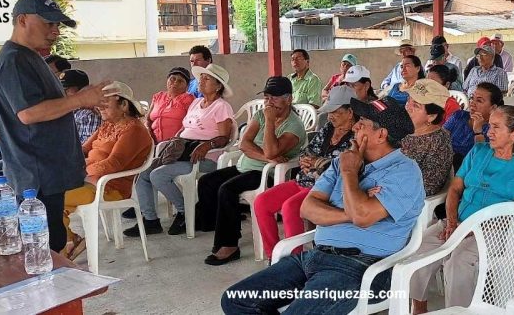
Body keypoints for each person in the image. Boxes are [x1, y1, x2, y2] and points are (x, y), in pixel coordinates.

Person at [222, 97, 424, 314]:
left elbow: (363, 217)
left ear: (381, 135)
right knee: (236, 300)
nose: (355, 126)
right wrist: (354, 210)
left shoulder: (404, 172)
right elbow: (307, 209)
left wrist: (349, 173)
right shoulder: (342, 161)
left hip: (361, 268)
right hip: (314, 257)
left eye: (362, 123)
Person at [0, 0, 108, 252]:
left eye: (58, 25)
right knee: (44, 248)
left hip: (47, 170)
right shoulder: (14, 60)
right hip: (37, 174)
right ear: (22, 20)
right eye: (48, 24)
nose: (55, 31)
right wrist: (80, 100)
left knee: (52, 239)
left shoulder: (31, 56)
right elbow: (28, 113)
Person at [409, 106, 514, 313]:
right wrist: (452, 223)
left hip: (497, 231)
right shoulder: (479, 151)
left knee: (458, 262)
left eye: (496, 127)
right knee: (419, 249)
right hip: (459, 222)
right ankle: (418, 307)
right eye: (490, 126)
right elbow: (454, 189)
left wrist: (471, 228)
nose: (489, 132)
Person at [197, 76, 306, 265]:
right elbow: (244, 144)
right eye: (266, 97)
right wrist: (266, 156)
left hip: (269, 174)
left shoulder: (294, 125)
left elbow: (273, 150)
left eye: (275, 97)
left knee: (227, 189)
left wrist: (270, 123)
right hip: (248, 165)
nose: (269, 102)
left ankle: (229, 245)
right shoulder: (260, 115)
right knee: (207, 182)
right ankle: (215, 226)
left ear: (289, 99)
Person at [125, 64, 234, 236]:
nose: (201, 81)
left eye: (207, 79)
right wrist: (174, 142)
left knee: (158, 175)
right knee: (143, 173)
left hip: (204, 158)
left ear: (218, 86)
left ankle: (186, 211)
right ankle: (150, 220)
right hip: (183, 152)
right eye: (201, 78)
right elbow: (184, 128)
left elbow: (224, 138)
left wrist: (207, 145)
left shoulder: (221, 106)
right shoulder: (197, 102)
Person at [254, 85, 356, 259]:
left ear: (350, 112)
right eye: (329, 111)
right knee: (261, 202)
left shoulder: (357, 135)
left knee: (290, 207)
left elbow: (346, 166)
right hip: (304, 179)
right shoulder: (328, 128)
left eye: (335, 111)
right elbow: (308, 150)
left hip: (325, 188)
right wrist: (306, 159)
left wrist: (318, 162)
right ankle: (273, 256)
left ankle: (295, 259)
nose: (330, 116)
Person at [62, 81, 153, 259]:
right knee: (49, 195)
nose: (99, 107)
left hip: (110, 188)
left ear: (124, 105)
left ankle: (67, 247)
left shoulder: (134, 130)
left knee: (54, 201)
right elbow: (83, 150)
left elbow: (113, 164)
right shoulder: (108, 125)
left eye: (105, 103)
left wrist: (81, 172)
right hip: (89, 181)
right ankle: (71, 241)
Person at [402, 79, 454, 196]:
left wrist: (387, 186)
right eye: (408, 100)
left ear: (431, 116)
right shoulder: (402, 128)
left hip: (406, 199)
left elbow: (429, 186)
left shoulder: (439, 142)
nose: (407, 107)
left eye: (415, 105)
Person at [443, 82, 504, 172]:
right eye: (472, 98)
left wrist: (478, 131)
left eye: (479, 101)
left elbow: (481, 158)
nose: (472, 103)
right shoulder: (459, 116)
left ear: (493, 107)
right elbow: (442, 137)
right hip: (446, 164)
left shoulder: (494, 129)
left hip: (470, 171)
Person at [146, 67, 195, 143]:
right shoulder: (158, 96)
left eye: (180, 81)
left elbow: (190, 123)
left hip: (176, 144)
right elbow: (148, 119)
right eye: (172, 79)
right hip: (152, 142)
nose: (175, 82)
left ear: (187, 86)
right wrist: (148, 131)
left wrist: (177, 138)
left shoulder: (188, 99)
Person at [60, 69, 102, 144]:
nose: (63, 93)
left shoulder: (89, 115)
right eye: (61, 90)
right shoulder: (62, 110)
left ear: (83, 90)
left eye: (67, 89)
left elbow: (87, 147)